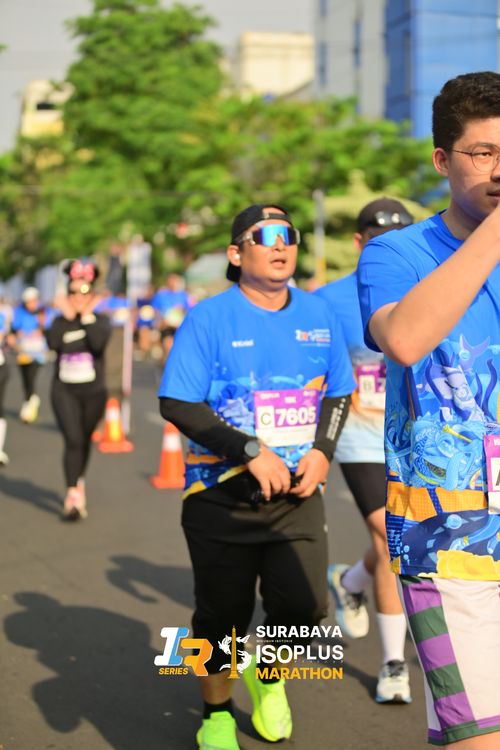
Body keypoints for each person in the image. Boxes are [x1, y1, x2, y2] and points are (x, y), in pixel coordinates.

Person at [158, 204, 354, 750]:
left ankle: (266, 674)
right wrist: (249, 451)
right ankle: (216, 713)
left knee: (304, 610)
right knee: (222, 618)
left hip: (297, 494)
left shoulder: (319, 314)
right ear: (236, 253)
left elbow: (338, 391)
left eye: (288, 234)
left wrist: (323, 451)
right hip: (220, 494)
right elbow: (177, 402)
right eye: (264, 235)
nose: (280, 243)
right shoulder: (209, 318)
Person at [357, 71, 500, 748]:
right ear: (443, 159)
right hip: (450, 541)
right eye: (484, 152)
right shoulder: (396, 253)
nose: (499, 168)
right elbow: (407, 339)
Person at [315, 198, 414, 704]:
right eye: (377, 239)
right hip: (359, 437)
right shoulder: (329, 300)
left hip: (416, 436)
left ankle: (351, 580)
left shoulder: (427, 289)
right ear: (359, 242)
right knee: (392, 540)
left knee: (407, 536)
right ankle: (394, 664)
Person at [46, 259, 111, 520]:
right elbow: (52, 343)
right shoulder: (60, 322)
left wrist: (85, 316)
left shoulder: (100, 321)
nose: (78, 297)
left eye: (84, 292)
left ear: (92, 294)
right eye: (72, 292)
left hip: (93, 392)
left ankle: (78, 479)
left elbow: (98, 343)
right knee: (72, 439)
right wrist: (67, 316)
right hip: (64, 390)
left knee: (83, 441)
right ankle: (72, 493)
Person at [9, 286, 47, 423]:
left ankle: (29, 404)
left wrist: (41, 328)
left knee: (32, 377)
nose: (32, 304)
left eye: (34, 301)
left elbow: (48, 329)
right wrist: (15, 337)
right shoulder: (19, 313)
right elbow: (14, 330)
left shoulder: (42, 313)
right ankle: (29, 400)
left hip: (37, 354)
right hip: (23, 353)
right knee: (26, 379)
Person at [151, 273, 192, 361]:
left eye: (174, 281)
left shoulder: (184, 295)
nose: (173, 283)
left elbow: (189, 311)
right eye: (171, 281)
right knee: (169, 347)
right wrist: (160, 323)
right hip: (166, 328)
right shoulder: (161, 295)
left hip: (180, 328)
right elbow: (155, 312)